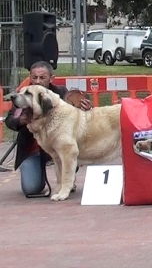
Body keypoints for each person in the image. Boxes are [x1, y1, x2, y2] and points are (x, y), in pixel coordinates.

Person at [4, 61, 91, 197]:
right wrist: (21, 120)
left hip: (57, 147)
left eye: (42, 77)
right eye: (34, 77)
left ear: (51, 78)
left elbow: (75, 114)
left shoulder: (61, 93)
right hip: (32, 151)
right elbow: (9, 120)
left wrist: (84, 108)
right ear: (30, 77)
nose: (37, 81)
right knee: (31, 188)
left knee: (68, 151)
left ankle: (66, 183)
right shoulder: (24, 94)